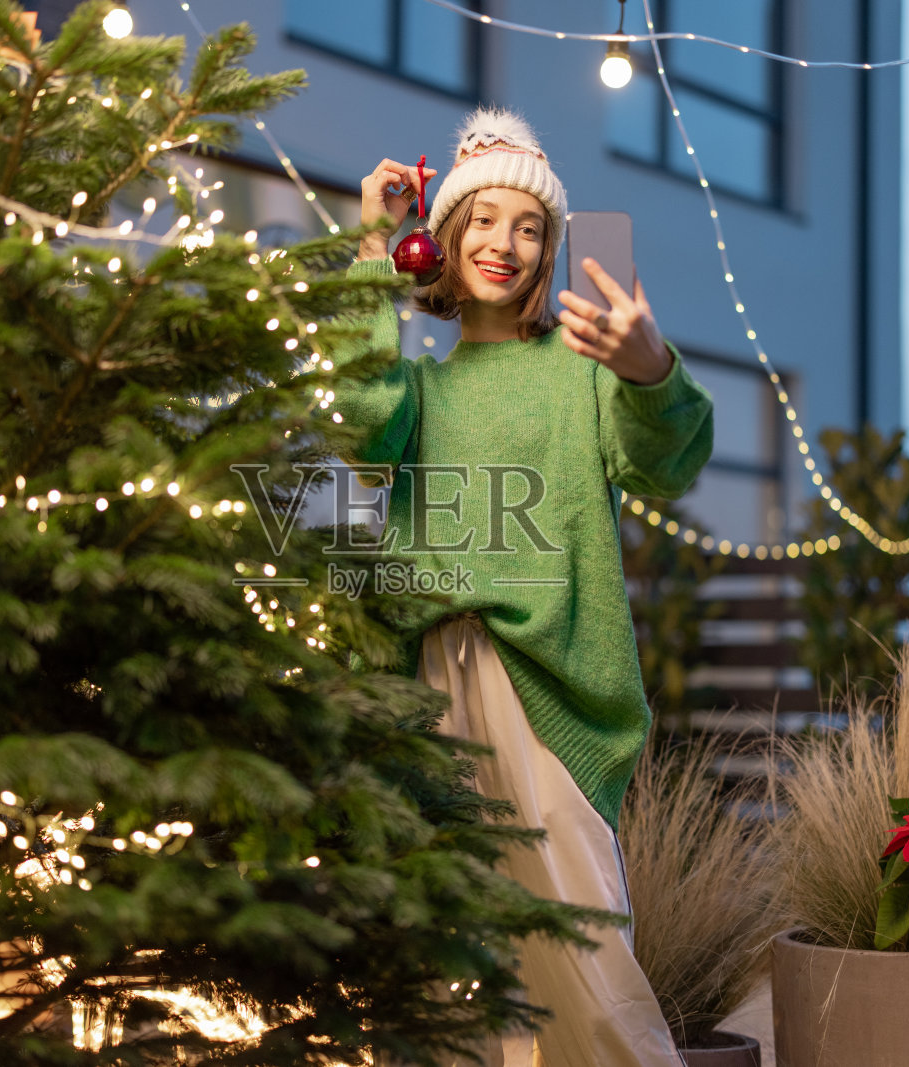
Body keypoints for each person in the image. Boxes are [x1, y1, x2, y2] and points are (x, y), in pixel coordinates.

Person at [335, 108, 713, 1067]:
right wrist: (369, 246)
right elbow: (357, 418)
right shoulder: (422, 388)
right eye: (485, 219)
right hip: (431, 680)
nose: (505, 243)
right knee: (443, 946)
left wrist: (651, 370)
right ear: (447, 237)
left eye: (530, 225)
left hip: (546, 681)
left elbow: (667, 462)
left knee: (580, 935)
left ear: (550, 247)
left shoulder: (584, 374)